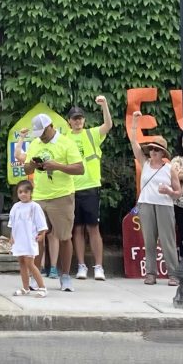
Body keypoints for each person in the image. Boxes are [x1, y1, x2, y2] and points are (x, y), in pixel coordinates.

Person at [17, 114, 83, 292]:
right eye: (38, 133)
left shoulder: (66, 143)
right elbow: (26, 168)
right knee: (37, 238)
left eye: (43, 132)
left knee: (64, 237)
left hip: (62, 195)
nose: (41, 136)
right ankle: (34, 276)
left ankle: (65, 276)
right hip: (39, 196)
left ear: (51, 126)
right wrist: (33, 164)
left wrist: (57, 166)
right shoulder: (35, 143)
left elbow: (79, 168)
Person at [128, 111, 181, 286]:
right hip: (146, 203)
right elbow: (134, 143)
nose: (153, 152)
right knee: (148, 240)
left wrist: (169, 191)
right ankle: (151, 274)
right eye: (151, 149)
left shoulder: (169, 168)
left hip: (164, 204)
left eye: (157, 149)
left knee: (168, 241)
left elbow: (178, 192)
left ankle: (173, 274)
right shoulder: (145, 163)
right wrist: (135, 123)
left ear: (163, 152)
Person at [66, 96, 113, 281]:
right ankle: (81, 265)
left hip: (91, 186)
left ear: (84, 120)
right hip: (71, 187)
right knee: (76, 229)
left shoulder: (91, 134)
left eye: (80, 118)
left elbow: (108, 125)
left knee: (93, 227)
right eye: (74, 118)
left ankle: (99, 266)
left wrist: (105, 105)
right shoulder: (64, 138)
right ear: (69, 121)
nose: (78, 121)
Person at [9, 179, 49, 297]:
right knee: (21, 262)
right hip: (19, 239)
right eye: (20, 192)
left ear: (31, 193)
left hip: (29, 239)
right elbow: (13, 224)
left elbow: (41, 223)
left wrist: (42, 234)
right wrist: (12, 237)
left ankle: (42, 287)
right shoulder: (16, 207)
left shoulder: (35, 207)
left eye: (26, 192)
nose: (23, 194)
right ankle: (25, 287)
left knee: (30, 263)